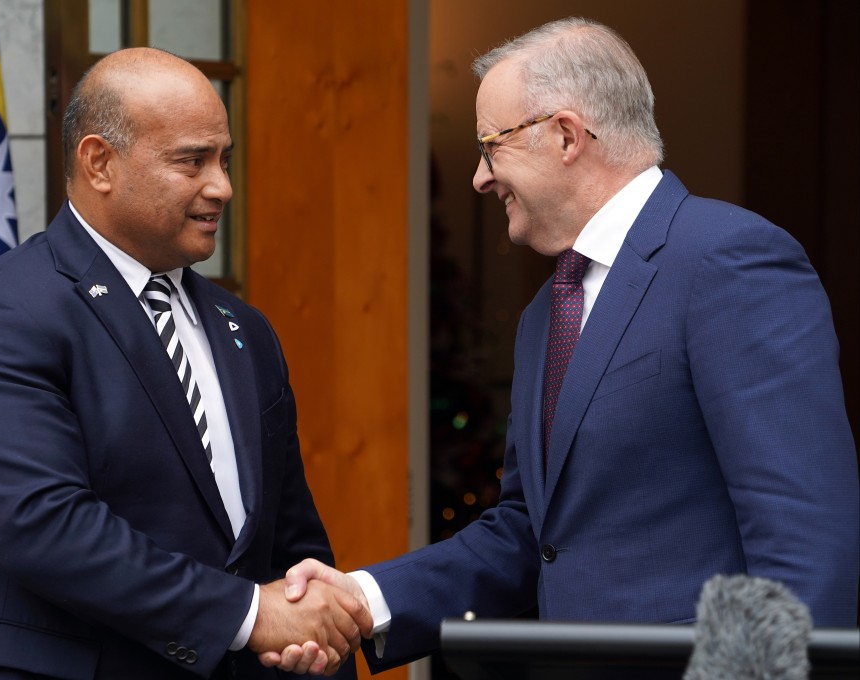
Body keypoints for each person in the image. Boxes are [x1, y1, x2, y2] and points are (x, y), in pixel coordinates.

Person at [263, 16, 860, 675]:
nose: (479, 179)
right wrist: (362, 599)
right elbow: (528, 533)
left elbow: (803, 543)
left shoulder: (727, 260)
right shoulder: (546, 312)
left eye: (490, 146)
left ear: (567, 135)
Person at [0, 47, 369, 680]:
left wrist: (316, 637)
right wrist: (247, 614)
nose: (222, 187)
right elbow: (43, 529)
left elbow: (289, 544)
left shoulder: (246, 330)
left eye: (224, 159)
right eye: (191, 161)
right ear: (99, 162)